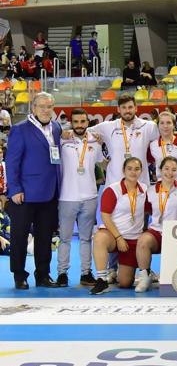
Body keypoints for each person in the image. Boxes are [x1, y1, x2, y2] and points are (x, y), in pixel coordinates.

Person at [6, 92, 62, 290]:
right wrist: (14, 189)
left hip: (49, 192)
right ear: (33, 108)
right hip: (24, 194)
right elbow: (11, 163)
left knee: (45, 237)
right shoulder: (20, 130)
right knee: (19, 237)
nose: (47, 110)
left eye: (50, 106)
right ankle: (19, 275)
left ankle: (43, 274)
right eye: (42, 106)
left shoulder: (56, 127)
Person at [56, 108, 103, 287]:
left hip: (90, 196)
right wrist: (61, 133)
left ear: (87, 122)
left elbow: (102, 161)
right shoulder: (62, 139)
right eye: (76, 122)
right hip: (67, 196)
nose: (79, 125)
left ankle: (86, 273)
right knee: (65, 238)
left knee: (86, 238)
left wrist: (101, 139)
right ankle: (62, 273)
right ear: (71, 122)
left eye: (83, 122)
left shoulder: (95, 141)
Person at [89, 157, 148, 294]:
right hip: (114, 236)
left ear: (141, 171)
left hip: (134, 239)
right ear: (123, 171)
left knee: (125, 283)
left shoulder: (144, 190)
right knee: (99, 238)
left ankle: (143, 272)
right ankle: (101, 280)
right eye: (130, 169)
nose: (133, 172)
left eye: (137, 169)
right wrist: (119, 237)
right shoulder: (112, 190)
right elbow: (105, 216)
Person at [135, 156, 177, 292]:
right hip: (157, 231)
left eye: (174, 170)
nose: (170, 172)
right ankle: (145, 276)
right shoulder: (150, 190)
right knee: (143, 241)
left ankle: (173, 273)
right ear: (160, 170)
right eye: (166, 169)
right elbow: (146, 211)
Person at [90, 94, 160, 187]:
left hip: (140, 184)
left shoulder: (149, 126)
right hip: (115, 184)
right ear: (118, 109)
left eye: (130, 107)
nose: (127, 111)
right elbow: (82, 132)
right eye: (124, 107)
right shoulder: (107, 127)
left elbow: (165, 138)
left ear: (136, 108)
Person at [148, 112, 177, 184]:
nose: (165, 126)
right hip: (163, 190)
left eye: (169, 123)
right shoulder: (152, 145)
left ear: (174, 125)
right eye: (162, 123)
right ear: (158, 126)